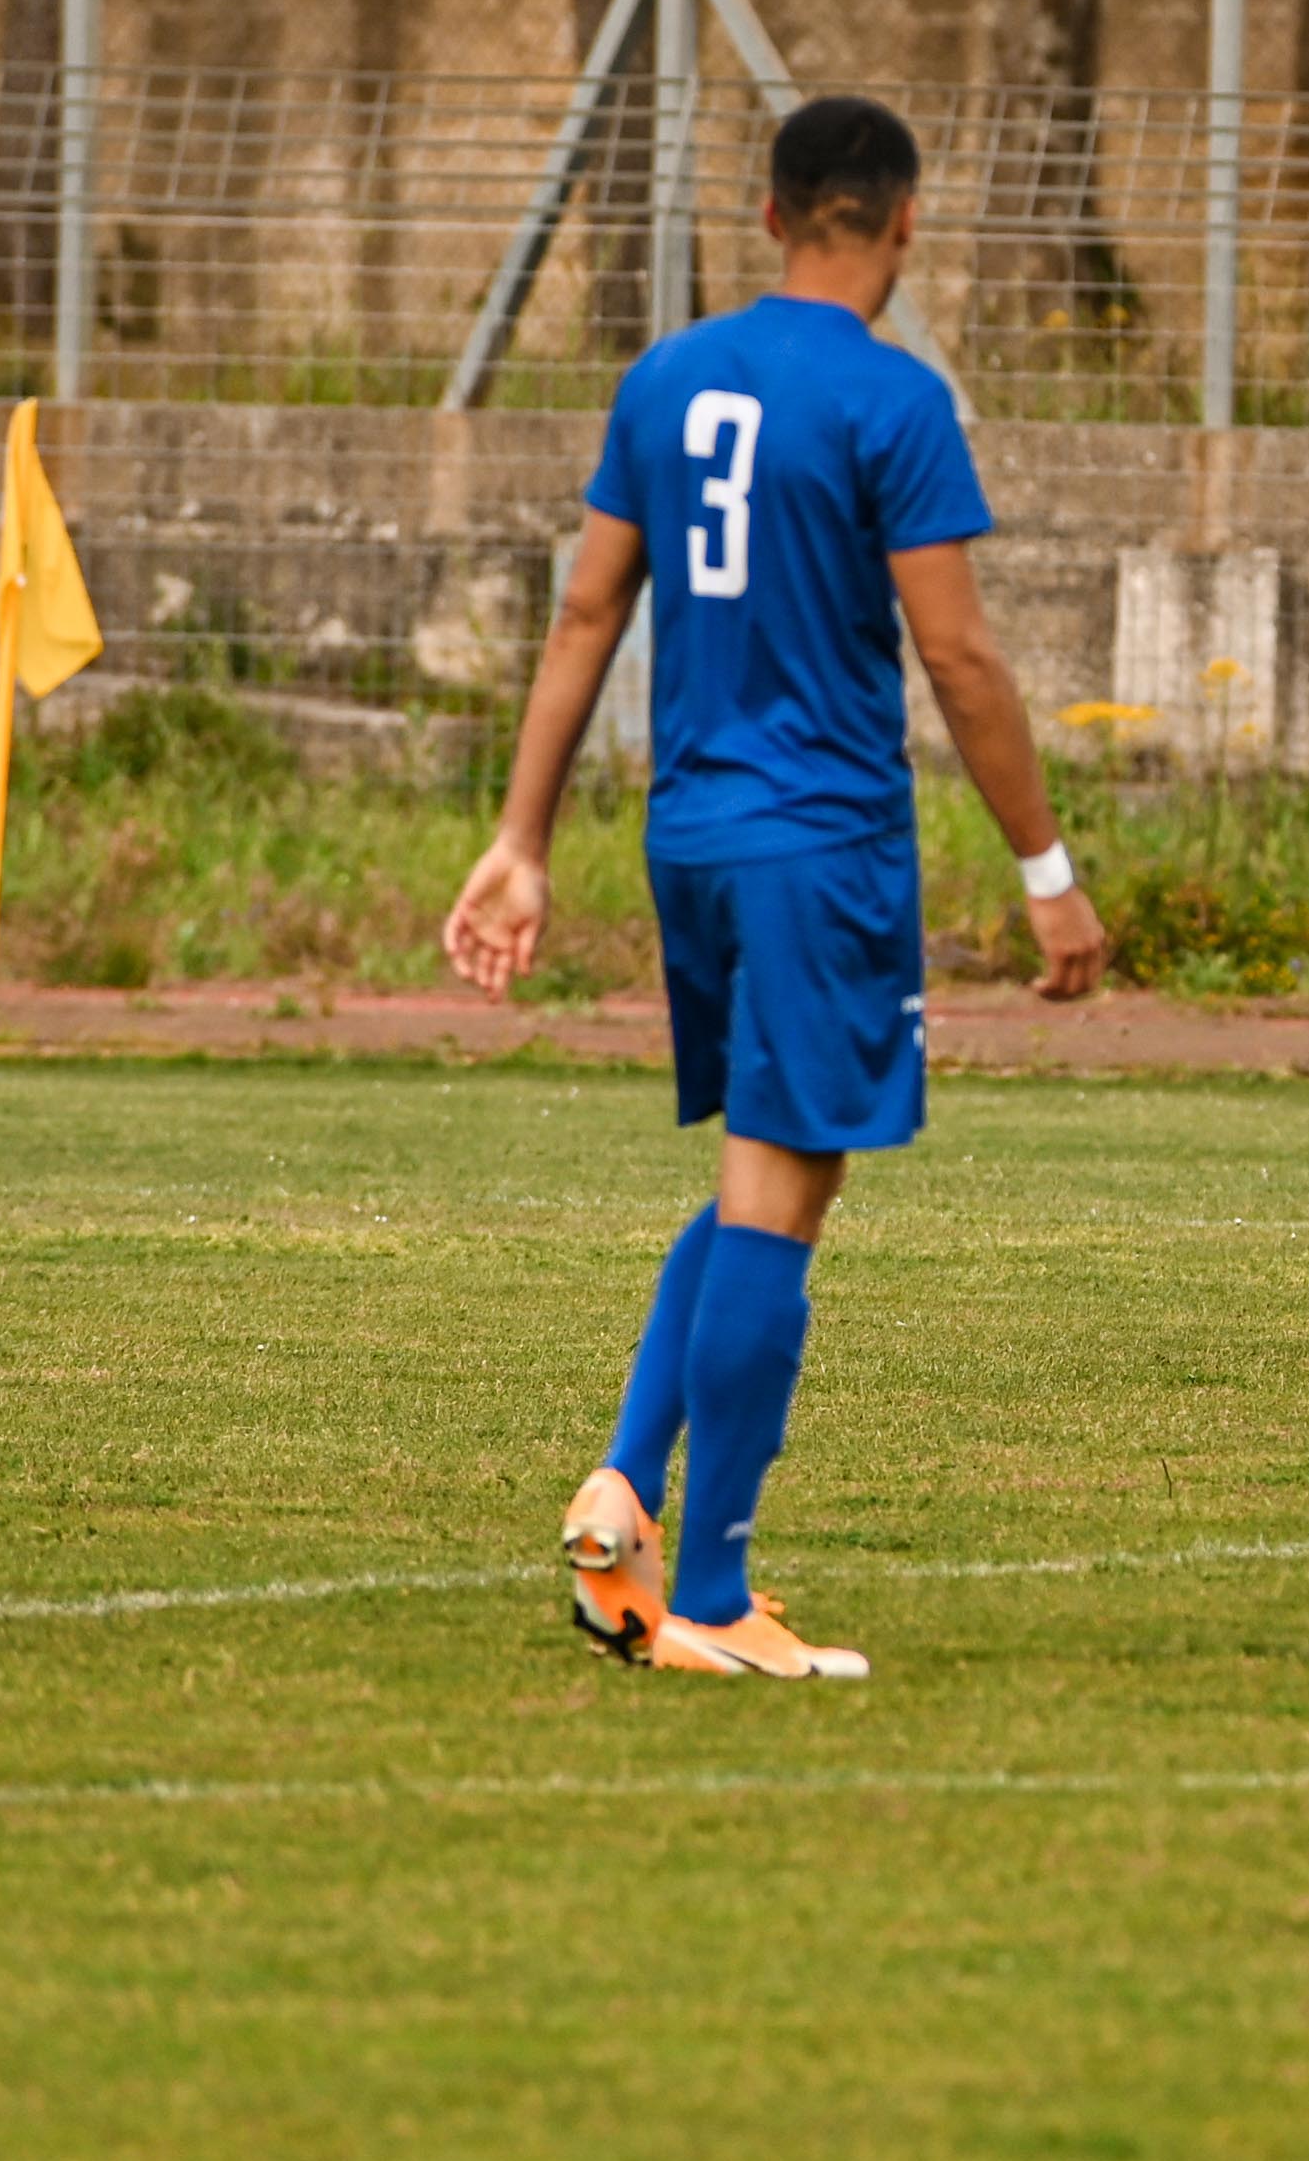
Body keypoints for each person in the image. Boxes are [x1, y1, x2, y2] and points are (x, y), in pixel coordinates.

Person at [446, 95, 1107, 1678]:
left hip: (690, 835)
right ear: (906, 222)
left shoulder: (666, 377)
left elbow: (585, 618)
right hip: (822, 842)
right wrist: (1048, 870)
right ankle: (716, 1601)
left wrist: (521, 839)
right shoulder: (894, 396)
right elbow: (958, 653)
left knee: (770, 1175)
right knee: (784, 1192)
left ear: (768, 215)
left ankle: (625, 1489)